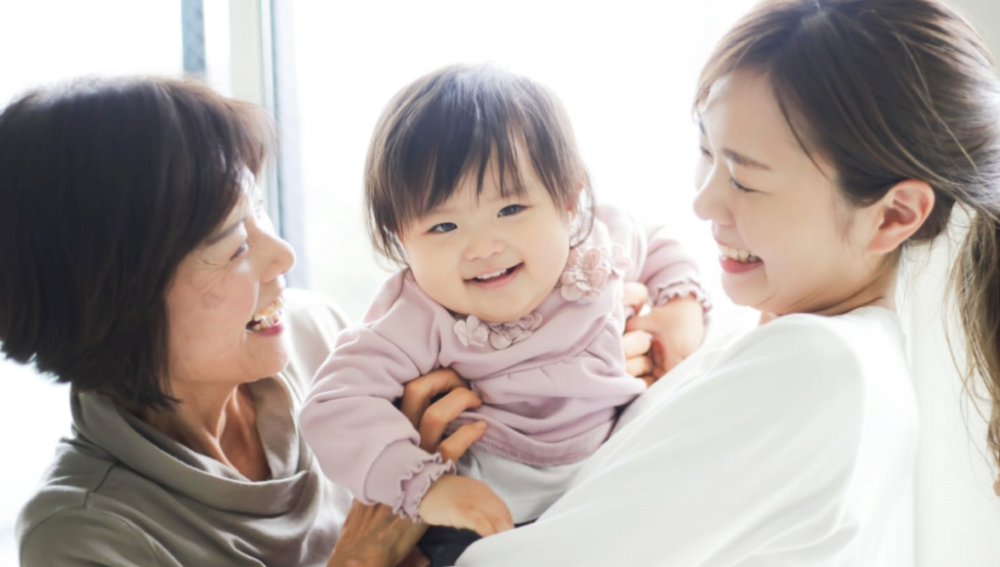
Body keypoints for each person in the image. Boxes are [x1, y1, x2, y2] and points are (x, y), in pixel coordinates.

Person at [327, 0, 1000, 566]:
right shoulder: (774, 344)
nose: (704, 202)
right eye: (706, 154)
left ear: (893, 216)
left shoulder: (821, 368)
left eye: (746, 179)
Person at [0, 77, 657, 567]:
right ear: (117, 297)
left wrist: (587, 362)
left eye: (260, 213)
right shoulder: (83, 538)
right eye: (234, 243)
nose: (282, 256)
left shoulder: (314, 334)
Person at [299, 64, 710, 564]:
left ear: (568, 200)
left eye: (510, 210)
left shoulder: (600, 242)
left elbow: (662, 247)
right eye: (444, 226)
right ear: (400, 237)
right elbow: (334, 407)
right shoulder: (416, 315)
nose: (483, 247)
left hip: (611, 478)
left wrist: (680, 311)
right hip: (484, 512)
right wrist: (426, 488)